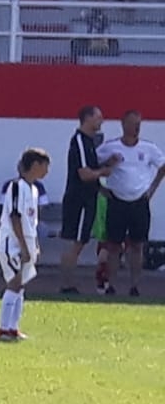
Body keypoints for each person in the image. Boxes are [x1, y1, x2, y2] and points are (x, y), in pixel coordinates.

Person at [95, 110, 165, 297]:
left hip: (139, 202)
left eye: (139, 124)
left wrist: (152, 189)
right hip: (117, 201)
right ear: (123, 124)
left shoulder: (148, 148)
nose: (136, 128)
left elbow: (162, 166)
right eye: (133, 124)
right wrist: (101, 187)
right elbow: (91, 166)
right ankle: (111, 285)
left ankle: (134, 286)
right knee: (113, 246)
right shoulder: (110, 147)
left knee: (137, 245)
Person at [0, 148, 52, 341]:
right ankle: (4, 328)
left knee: (21, 285)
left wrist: (34, 244)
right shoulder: (16, 186)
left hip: (27, 242)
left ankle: (13, 327)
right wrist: (22, 246)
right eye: (45, 166)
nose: (47, 171)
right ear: (35, 165)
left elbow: (31, 221)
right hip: (12, 242)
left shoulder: (34, 190)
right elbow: (15, 216)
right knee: (14, 283)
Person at [58, 105, 113, 293]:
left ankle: (68, 283)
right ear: (88, 118)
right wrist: (103, 172)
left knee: (79, 242)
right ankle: (67, 284)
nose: (101, 121)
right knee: (75, 242)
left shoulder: (89, 142)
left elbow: (91, 170)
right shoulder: (80, 141)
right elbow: (84, 174)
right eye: (98, 117)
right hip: (79, 201)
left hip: (87, 199)